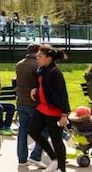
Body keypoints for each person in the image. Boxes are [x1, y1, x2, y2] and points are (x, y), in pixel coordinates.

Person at [28, 44, 70, 172]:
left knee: (56, 139)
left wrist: (64, 115)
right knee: (33, 131)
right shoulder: (41, 70)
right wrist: (35, 89)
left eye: (40, 56)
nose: (37, 58)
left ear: (48, 58)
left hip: (54, 111)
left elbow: (63, 93)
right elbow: (42, 85)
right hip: (42, 108)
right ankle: (54, 158)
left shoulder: (55, 72)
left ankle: (61, 169)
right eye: (37, 56)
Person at [15, 43, 46, 167]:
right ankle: (36, 155)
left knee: (23, 130)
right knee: (44, 129)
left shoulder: (20, 64)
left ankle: (22, 158)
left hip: (21, 101)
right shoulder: (37, 65)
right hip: (34, 103)